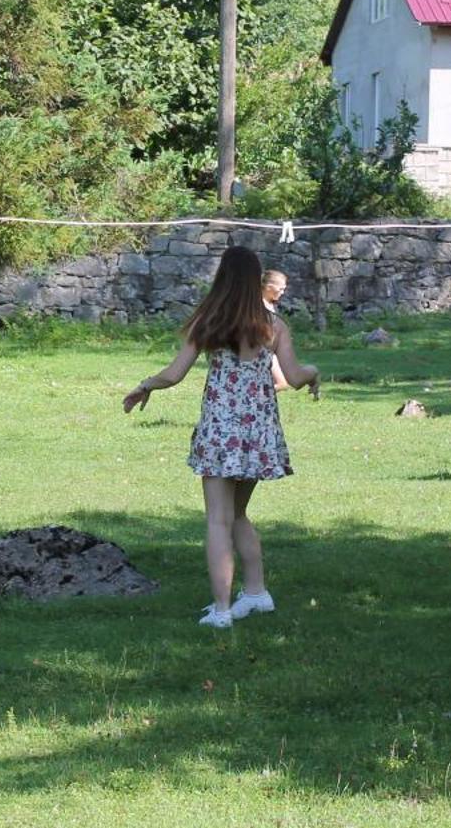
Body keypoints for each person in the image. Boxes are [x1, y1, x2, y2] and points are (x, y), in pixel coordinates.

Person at [123, 247, 319, 628]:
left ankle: (223, 611)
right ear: (255, 280)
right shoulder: (274, 326)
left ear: (223, 278)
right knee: (238, 514)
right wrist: (314, 373)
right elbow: (295, 377)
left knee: (218, 519)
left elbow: (174, 373)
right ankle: (257, 594)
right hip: (258, 432)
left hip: (220, 432)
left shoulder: (210, 320)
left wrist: (146, 386)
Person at [262, 268, 290, 391]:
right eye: (280, 289)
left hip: (270, 351)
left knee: (282, 383)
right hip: (261, 351)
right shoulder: (259, 305)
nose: (282, 292)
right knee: (281, 383)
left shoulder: (270, 304)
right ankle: (255, 395)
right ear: (269, 287)